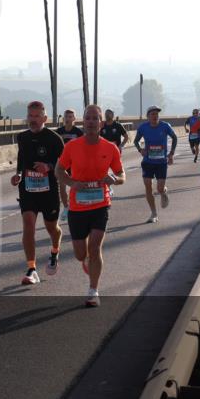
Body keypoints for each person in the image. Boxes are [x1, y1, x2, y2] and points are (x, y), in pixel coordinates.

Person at [55, 104, 126, 307]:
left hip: (100, 204)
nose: (92, 122)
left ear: (101, 123)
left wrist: (115, 179)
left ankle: (93, 290)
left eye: (96, 118)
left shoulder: (110, 148)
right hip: (77, 207)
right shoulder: (71, 147)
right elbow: (59, 171)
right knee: (80, 254)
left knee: (95, 247)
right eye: (88, 118)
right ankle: (86, 260)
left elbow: (122, 175)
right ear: (83, 122)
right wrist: (72, 183)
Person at [11, 100, 65, 284]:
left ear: (45, 118)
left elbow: (65, 165)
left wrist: (48, 166)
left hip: (49, 190)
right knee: (28, 224)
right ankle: (31, 269)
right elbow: (21, 159)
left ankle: (55, 250)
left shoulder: (54, 139)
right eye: (30, 116)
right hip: (28, 189)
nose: (32, 120)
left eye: (36, 116)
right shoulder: (22, 137)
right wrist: (18, 174)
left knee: (52, 228)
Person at [133, 106, 178, 223]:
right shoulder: (143, 127)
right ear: (148, 116)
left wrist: (171, 154)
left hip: (161, 162)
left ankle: (163, 192)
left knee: (159, 188)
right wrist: (140, 150)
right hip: (148, 161)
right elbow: (135, 141)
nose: (155, 116)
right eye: (152, 114)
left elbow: (174, 137)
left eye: (157, 114)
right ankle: (154, 213)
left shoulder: (165, 126)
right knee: (148, 186)